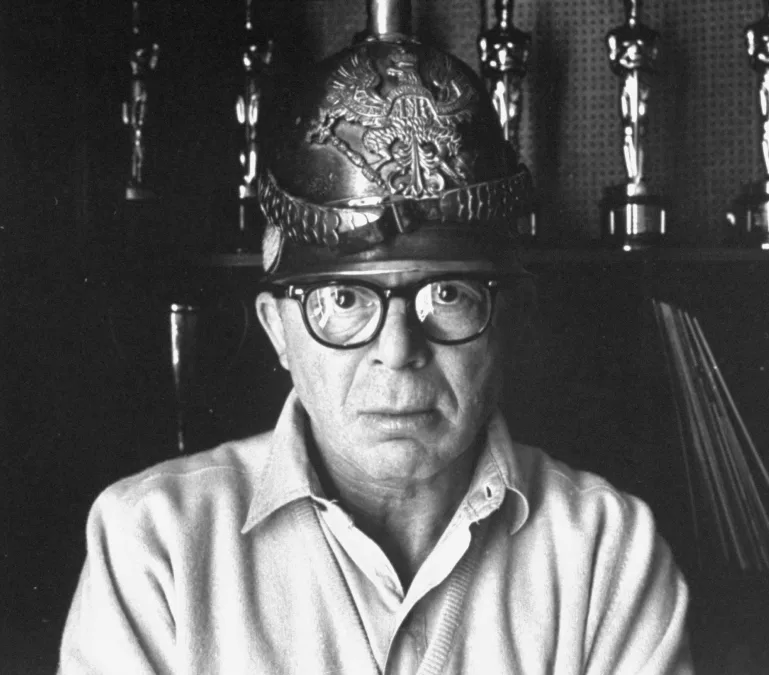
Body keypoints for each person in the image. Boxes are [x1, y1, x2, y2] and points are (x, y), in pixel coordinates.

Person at [58, 3, 691, 673]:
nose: (397, 350)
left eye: (448, 294)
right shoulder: (155, 547)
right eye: (344, 298)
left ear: (512, 318)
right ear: (277, 329)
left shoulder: (608, 555)